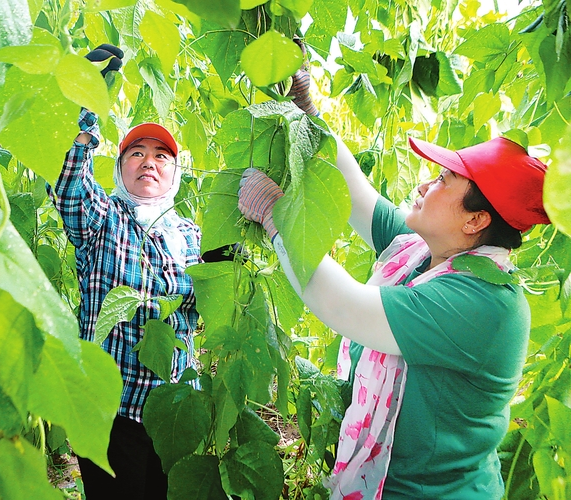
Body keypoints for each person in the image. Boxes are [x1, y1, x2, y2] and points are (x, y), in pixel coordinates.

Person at [237, 60, 550, 498]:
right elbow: (355, 196)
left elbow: (344, 306)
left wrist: (276, 218)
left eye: (443, 180)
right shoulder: (425, 252)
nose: (425, 185)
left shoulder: (486, 301)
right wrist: (308, 114)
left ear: (476, 220)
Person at [47, 45, 202, 499]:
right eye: (135, 153)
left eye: (161, 155)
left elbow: (204, 312)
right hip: (109, 411)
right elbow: (69, 182)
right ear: (119, 168)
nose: (149, 161)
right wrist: (86, 95)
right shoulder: (102, 218)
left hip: (172, 410)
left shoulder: (191, 235)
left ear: (175, 173)